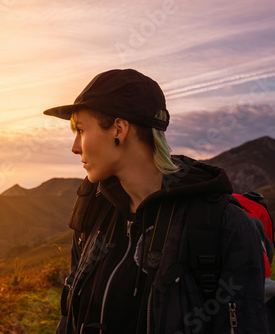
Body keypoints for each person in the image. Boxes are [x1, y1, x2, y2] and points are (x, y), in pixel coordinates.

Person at [43, 69, 268, 333]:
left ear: (119, 129)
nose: (75, 147)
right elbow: (69, 314)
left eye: (80, 130)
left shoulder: (223, 224)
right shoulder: (93, 205)